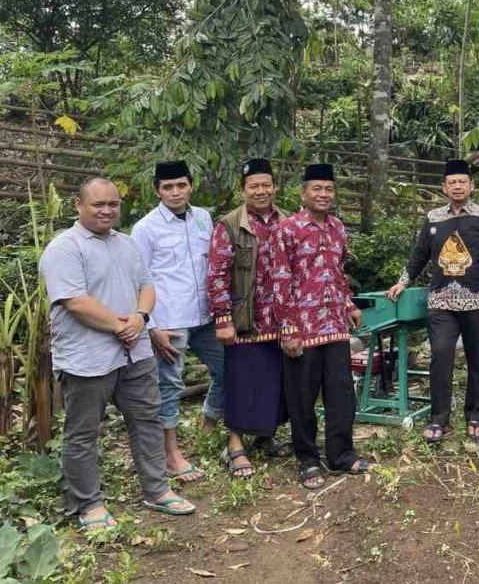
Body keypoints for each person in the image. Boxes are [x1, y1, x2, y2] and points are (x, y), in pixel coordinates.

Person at [39, 177, 196, 531]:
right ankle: (88, 503)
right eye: (98, 204)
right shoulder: (64, 248)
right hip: (87, 358)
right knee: (83, 433)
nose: (107, 210)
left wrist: (140, 318)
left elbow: (146, 285)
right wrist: (120, 326)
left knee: (147, 422)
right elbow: (74, 301)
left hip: (135, 354)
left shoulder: (126, 244)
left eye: (113, 204)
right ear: (78, 205)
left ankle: (157, 490)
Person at [386, 159, 479, 443]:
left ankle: (476, 415)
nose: (457, 186)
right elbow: (419, 255)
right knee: (441, 356)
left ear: (471, 185)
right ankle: (439, 418)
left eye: (462, 181)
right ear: (444, 187)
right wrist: (403, 281)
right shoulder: (433, 218)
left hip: (477, 301)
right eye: (452, 182)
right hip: (440, 302)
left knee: (478, 360)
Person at [271, 163, 371, 490]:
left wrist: (349, 304)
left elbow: (338, 274)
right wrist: (288, 329)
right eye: (317, 189)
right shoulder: (287, 229)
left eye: (329, 189)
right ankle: (308, 459)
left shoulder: (339, 228)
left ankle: (341, 453)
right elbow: (280, 281)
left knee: (341, 393)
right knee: (302, 397)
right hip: (302, 329)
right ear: (303, 193)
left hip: (335, 327)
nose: (324, 194)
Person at [131, 160, 224, 483]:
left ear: (191, 185)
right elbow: (138, 280)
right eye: (168, 187)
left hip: (206, 315)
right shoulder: (146, 228)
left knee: (229, 368)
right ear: (157, 190)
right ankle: (171, 455)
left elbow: (212, 265)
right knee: (169, 385)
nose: (175, 192)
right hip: (170, 320)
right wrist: (151, 326)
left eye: (181, 185)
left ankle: (207, 424)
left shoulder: (203, 218)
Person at [206, 158, 291, 478]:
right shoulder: (228, 225)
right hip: (245, 315)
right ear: (242, 191)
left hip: (279, 317)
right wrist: (223, 317)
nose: (261, 191)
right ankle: (235, 444)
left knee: (274, 379)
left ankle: (266, 435)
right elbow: (216, 274)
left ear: (275, 187)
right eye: (253, 186)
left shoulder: (288, 220)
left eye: (265, 185)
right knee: (242, 379)